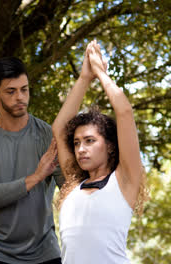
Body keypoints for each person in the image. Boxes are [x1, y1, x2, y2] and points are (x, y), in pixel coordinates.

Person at [52, 40, 147, 263]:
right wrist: (84, 78)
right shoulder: (73, 185)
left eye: (89, 141)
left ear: (110, 145)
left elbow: (123, 111)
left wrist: (100, 73)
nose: (81, 149)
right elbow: (58, 128)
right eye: (76, 143)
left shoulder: (124, 181)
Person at [0, 57, 66, 264]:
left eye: (24, 89)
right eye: (11, 91)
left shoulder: (49, 135)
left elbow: (70, 188)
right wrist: (36, 177)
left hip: (44, 251)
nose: (20, 97)